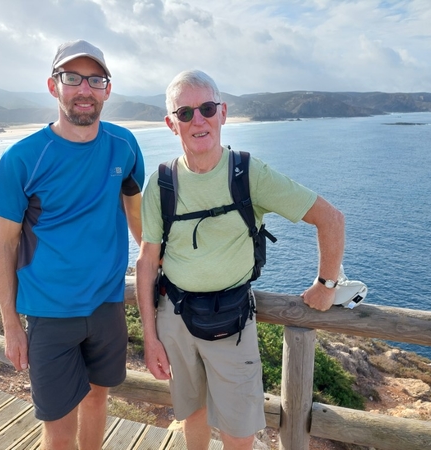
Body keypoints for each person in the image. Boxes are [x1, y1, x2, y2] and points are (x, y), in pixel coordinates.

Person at [135, 70, 344, 450]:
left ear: (223, 113)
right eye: (185, 113)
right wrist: (150, 338)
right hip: (174, 319)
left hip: (232, 322)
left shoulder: (249, 174)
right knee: (191, 413)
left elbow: (330, 218)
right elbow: (148, 262)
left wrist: (326, 284)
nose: (198, 120)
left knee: (239, 429)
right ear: (171, 124)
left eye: (207, 108)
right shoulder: (161, 182)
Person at [0, 40, 144, 450]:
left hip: (107, 305)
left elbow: (137, 215)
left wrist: (159, 265)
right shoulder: (22, 159)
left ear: (107, 89)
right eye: (71, 78)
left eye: (95, 79)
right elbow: (3, 245)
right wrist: (11, 327)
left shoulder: (124, 146)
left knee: (97, 399)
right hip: (49, 314)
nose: (84, 89)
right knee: (57, 428)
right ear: (53, 85)